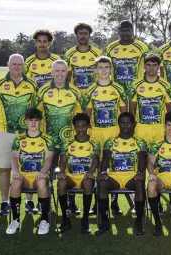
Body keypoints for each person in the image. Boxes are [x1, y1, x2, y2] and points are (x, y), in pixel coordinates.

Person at [0, 54, 37, 216]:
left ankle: (29, 201)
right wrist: (2, 120)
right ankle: (4, 202)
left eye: (19, 64)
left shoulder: (32, 84)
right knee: (4, 168)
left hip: (26, 135)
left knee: (29, 168)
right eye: (14, 64)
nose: (16, 67)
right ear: (8, 64)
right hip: (4, 133)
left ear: (24, 66)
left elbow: (37, 108)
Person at [35, 60, 83, 214]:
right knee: (47, 174)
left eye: (63, 71)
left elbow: (81, 118)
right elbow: (36, 116)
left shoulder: (75, 92)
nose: (60, 74)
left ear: (67, 73)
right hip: (48, 142)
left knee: (69, 173)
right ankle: (44, 204)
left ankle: (71, 204)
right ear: (52, 72)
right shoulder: (42, 91)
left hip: (68, 143)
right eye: (57, 71)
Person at [85, 56, 128, 215]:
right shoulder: (90, 90)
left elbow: (124, 115)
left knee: (114, 167)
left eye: (106, 67)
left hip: (114, 133)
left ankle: (115, 203)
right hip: (96, 133)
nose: (103, 70)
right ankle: (98, 203)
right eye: (100, 67)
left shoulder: (119, 89)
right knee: (97, 167)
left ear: (111, 69)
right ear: (96, 70)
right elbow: (87, 115)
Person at [23, 29, 60, 213]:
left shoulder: (55, 61)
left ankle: (45, 196)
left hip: (52, 116)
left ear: (50, 43)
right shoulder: (29, 62)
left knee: (50, 161)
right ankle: (29, 199)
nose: (42, 44)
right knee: (33, 156)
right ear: (35, 43)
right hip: (35, 117)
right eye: (40, 41)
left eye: (46, 41)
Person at [95, 112, 147, 235]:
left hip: (131, 176)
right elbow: (105, 159)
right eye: (122, 123)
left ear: (133, 124)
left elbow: (142, 159)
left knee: (140, 183)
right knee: (102, 183)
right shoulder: (110, 142)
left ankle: (139, 222)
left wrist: (140, 172)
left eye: (128, 123)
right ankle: (105, 222)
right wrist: (103, 172)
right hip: (115, 176)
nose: (125, 126)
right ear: (118, 124)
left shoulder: (140, 142)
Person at [5, 109, 54, 235]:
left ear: (40, 122)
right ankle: (15, 220)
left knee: (42, 182)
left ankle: (44, 221)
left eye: (36, 120)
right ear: (26, 121)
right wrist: (16, 171)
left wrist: (42, 172)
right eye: (30, 120)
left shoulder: (47, 139)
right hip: (24, 176)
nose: (33, 123)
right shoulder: (19, 138)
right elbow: (14, 157)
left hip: (40, 175)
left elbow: (49, 158)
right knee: (15, 182)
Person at [55, 113, 100, 234]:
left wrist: (91, 172)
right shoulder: (67, 143)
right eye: (78, 126)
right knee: (61, 183)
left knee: (87, 182)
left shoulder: (94, 143)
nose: (81, 129)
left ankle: (85, 219)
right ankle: (65, 219)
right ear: (74, 127)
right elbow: (63, 160)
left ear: (88, 126)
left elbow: (95, 159)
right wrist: (62, 172)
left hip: (86, 176)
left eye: (84, 126)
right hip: (71, 176)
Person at [129, 53, 171, 146]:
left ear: (158, 67)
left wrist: (167, 127)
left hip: (159, 128)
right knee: (141, 157)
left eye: (154, 65)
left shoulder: (166, 85)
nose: (151, 68)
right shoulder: (135, 84)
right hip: (141, 128)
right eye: (148, 65)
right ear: (144, 66)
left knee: (157, 157)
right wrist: (133, 125)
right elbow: (132, 107)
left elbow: (170, 110)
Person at [106, 20, 149, 96]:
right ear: (118, 32)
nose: (125, 33)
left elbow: (149, 66)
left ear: (132, 31)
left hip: (136, 90)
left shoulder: (142, 47)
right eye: (123, 31)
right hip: (116, 90)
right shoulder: (111, 47)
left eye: (128, 30)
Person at [65, 23, 102, 95]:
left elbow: (102, 74)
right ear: (76, 35)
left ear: (89, 36)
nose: (83, 36)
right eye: (80, 33)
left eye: (85, 33)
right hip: (76, 95)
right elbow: (67, 76)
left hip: (94, 94)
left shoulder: (97, 53)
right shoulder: (69, 53)